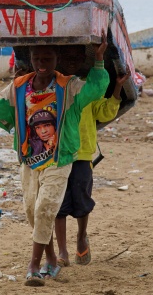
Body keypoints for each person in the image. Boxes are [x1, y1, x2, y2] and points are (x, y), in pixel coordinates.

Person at [0, 31, 110, 287]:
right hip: (29, 160)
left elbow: (96, 90)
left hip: (59, 159)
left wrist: (98, 60)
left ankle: (34, 264)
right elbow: (3, 111)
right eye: (37, 57)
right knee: (33, 212)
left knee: (46, 208)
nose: (42, 63)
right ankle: (51, 258)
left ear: (57, 59)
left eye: (48, 58)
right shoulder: (19, 87)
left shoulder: (69, 86)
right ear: (31, 59)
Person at [54, 45, 131, 268]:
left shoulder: (88, 89)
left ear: (82, 59)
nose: (70, 60)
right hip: (57, 154)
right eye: (66, 55)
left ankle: (81, 236)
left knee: (81, 201)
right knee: (58, 203)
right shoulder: (53, 86)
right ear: (59, 57)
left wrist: (117, 88)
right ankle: (62, 250)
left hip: (82, 154)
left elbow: (106, 111)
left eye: (75, 56)